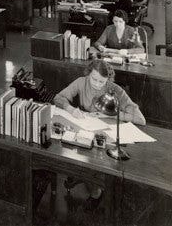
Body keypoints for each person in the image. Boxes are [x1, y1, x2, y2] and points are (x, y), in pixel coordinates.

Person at [53, 59, 145, 209]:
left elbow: (140, 119)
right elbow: (58, 98)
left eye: (101, 81)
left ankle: (96, 192)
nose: (96, 84)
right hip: (84, 127)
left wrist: (111, 115)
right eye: (94, 79)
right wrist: (70, 109)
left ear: (108, 80)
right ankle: (83, 175)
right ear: (88, 74)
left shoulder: (115, 90)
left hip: (105, 133)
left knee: (95, 158)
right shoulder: (81, 82)